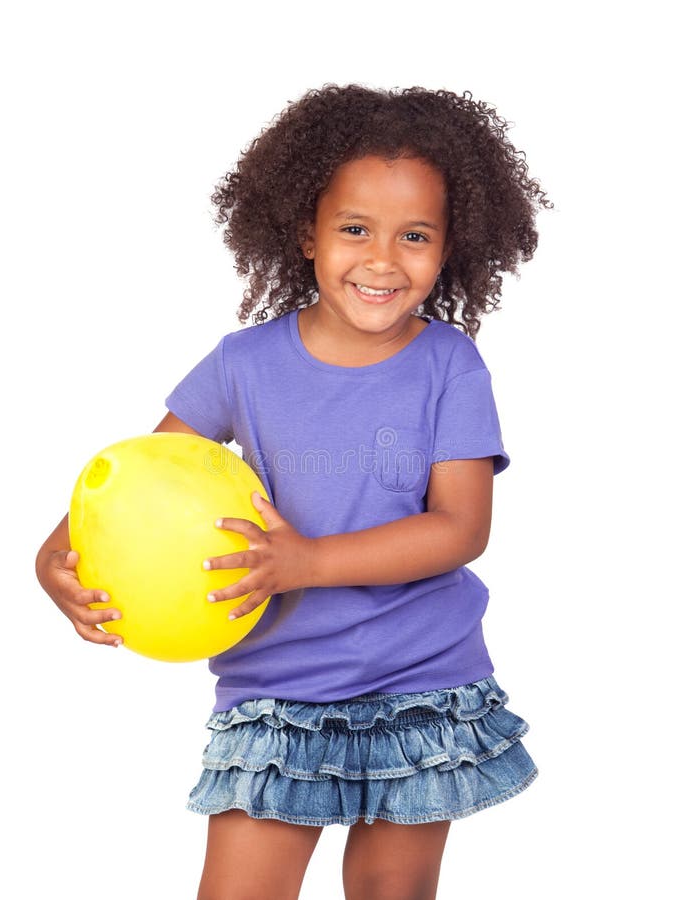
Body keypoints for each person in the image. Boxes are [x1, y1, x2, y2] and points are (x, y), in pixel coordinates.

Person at [36, 84, 552, 900]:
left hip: (418, 678)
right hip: (275, 687)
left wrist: (305, 561)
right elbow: (142, 475)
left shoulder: (450, 365)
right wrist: (54, 554)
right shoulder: (243, 364)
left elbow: (458, 529)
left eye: (413, 236)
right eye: (355, 229)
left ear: (449, 247)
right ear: (305, 232)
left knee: (393, 889)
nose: (382, 259)